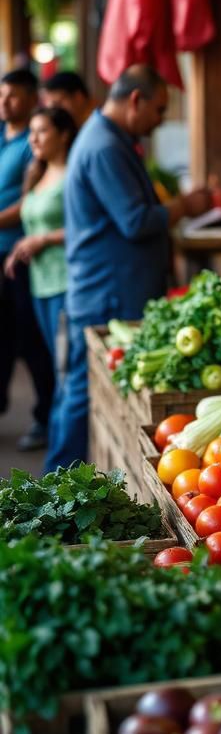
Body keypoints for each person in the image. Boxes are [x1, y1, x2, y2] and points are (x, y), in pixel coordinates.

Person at [48, 64, 211, 470]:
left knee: (84, 391)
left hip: (111, 285)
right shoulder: (104, 146)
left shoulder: (111, 139)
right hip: (109, 290)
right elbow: (135, 221)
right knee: (82, 392)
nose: (158, 122)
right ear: (135, 100)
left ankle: (62, 479)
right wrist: (184, 207)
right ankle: (51, 485)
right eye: (158, 110)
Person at [4, 106, 76, 461]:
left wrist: (43, 240)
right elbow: (30, 219)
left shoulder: (72, 175)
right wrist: (20, 246)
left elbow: (85, 226)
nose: (32, 138)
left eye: (42, 131)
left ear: (63, 134)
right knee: (52, 366)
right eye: (31, 131)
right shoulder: (38, 172)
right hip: (39, 286)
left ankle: (62, 461)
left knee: (65, 373)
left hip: (65, 284)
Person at [0, 69, 55, 451]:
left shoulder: (30, 146)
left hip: (18, 255)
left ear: (33, 98)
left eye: (14, 96)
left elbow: (28, 202)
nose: (5, 103)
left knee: (28, 339)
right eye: (2, 95)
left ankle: (42, 417)